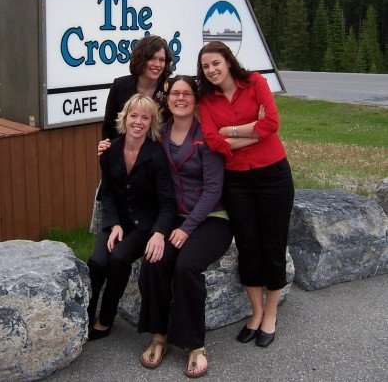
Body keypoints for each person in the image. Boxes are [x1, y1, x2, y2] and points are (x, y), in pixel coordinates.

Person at [196, 41, 294, 348]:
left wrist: (231, 131)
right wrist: (253, 129)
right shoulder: (206, 100)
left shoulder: (254, 82)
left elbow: (273, 123)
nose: (211, 70)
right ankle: (256, 312)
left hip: (272, 175)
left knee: (273, 242)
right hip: (236, 181)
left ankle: (271, 314)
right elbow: (213, 142)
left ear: (227, 60)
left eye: (215, 63)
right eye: (205, 66)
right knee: (248, 243)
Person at [137, 75, 233, 378]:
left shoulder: (207, 135)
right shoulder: (160, 134)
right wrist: (107, 148)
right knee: (154, 261)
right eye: (175, 93)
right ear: (168, 98)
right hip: (173, 217)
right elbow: (130, 143)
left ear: (195, 99)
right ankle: (159, 335)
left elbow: (213, 190)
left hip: (212, 219)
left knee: (186, 267)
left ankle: (194, 345)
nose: (181, 98)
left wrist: (187, 228)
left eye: (187, 93)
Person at [87, 94, 176, 341]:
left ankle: (105, 318)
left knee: (118, 258)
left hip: (143, 224)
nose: (138, 122)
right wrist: (113, 223)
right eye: (133, 116)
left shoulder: (156, 154)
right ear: (124, 118)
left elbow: (167, 201)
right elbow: (107, 192)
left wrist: (159, 232)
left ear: (151, 123)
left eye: (145, 117)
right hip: (116, 220)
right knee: (97, 262)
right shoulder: (109, 150)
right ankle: (85, 313)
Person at [101, 35, 173, 140]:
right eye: (152, 58)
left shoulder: (169, 88)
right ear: (141, 59)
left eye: (162, 60)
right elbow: (109, 127)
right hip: (124, 151)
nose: (157, 64)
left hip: (159, 152)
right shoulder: (120, 85)